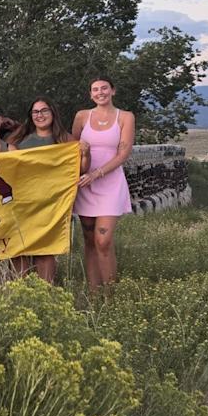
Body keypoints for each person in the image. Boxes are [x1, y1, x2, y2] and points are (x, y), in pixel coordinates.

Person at [7, 96, 90, 283]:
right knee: (20, 248)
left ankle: (45, 292)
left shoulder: (65, 139)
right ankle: (21, 291)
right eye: (35, 112)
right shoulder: (20, 139)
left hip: (52, 204)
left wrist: (85, 153)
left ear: (52, 113)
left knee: (46, 250)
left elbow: (80, 169)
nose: (40, 115)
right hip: (24, 202)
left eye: (44, 110)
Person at [72, 76, 135, 293]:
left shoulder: (125, 117)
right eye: (95, 89)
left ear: (113, 91)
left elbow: (123, 154)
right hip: (85, 185)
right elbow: (72, 148)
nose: (100, 92)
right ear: (91, 95)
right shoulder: (82, 116)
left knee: (103, 240)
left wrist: (97, 173)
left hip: (110, 184)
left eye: (104, 88)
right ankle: (93, 293)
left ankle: (110, 296)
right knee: (90, 241)